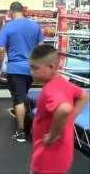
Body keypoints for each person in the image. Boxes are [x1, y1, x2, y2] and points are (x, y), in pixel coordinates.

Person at [29, 45, 88, 174]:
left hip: (48, 155)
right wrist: (72, 117)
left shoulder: (50, 90)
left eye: (35, 68)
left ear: (50, 67)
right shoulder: (63, 83)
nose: (31, 72)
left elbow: (64, 109)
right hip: (61, 153)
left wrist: (52, 136)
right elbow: (83, 95)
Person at [0, 2, 44, 142]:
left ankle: (21, 132)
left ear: (11, 11)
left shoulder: (8, 27)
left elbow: (0, 50)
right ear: (22, 11)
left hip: (15, 69)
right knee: (22, 96)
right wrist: (38, 67)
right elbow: (41, 48)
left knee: (18, 99)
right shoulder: (35, 26)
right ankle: (24, 121)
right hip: (30, 69)